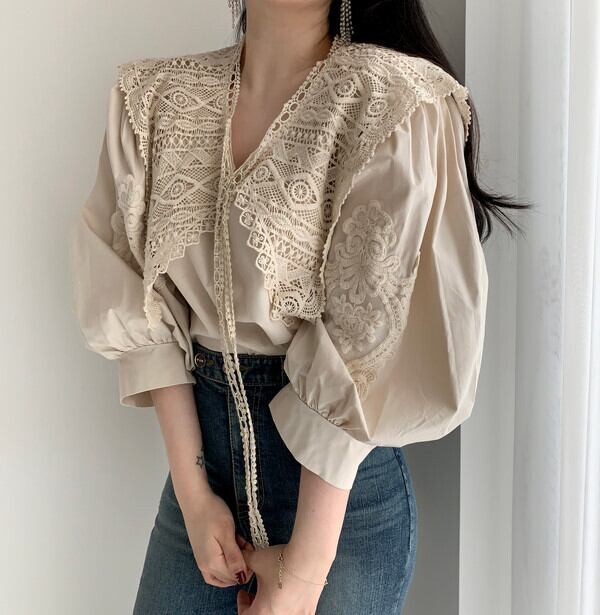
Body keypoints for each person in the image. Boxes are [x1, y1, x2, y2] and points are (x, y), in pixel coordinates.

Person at [69, 0, 529, 613]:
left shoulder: (395, 101)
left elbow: (367, 339)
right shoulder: (154, 99)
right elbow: (141, 310)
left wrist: (305, 573)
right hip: (199, 489)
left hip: (337, 515)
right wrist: (194, 493)